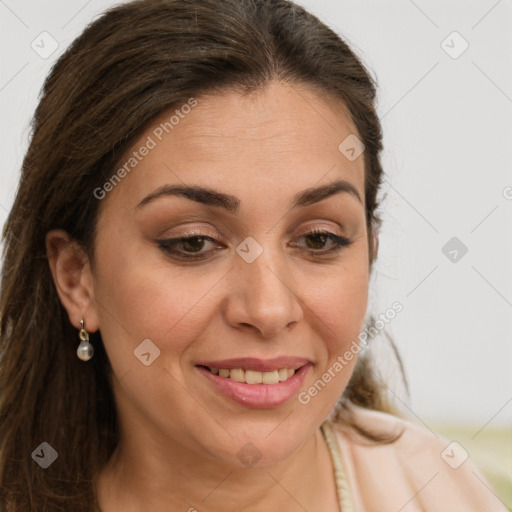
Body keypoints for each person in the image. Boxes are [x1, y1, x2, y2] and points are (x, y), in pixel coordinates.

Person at [0, 0, 506, 510]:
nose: (268, 310)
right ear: (76, 278)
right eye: (193, 242)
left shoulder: (444, 491)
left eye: (318, 239)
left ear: (370, 253)